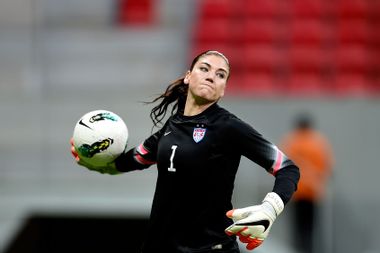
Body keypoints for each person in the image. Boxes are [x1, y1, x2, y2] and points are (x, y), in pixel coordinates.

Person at [70, 50, 300, 253]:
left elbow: (288, 168)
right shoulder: (170, 128)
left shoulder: (228, 127)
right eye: (205, 68)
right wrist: (95, 162)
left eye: (221, 75)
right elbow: (133, 159)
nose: (212, 76)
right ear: (189, 76)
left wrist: (270, 208)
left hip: (210, 247)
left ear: (223, 90)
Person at [279, 113, 334, 253]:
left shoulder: (291, 142)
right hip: (313, 192)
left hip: (295, 191)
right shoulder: (318, 143)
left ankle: (298, 250)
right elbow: (327, 168)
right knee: (311, 229)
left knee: (297, 229)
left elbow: (281, 165)